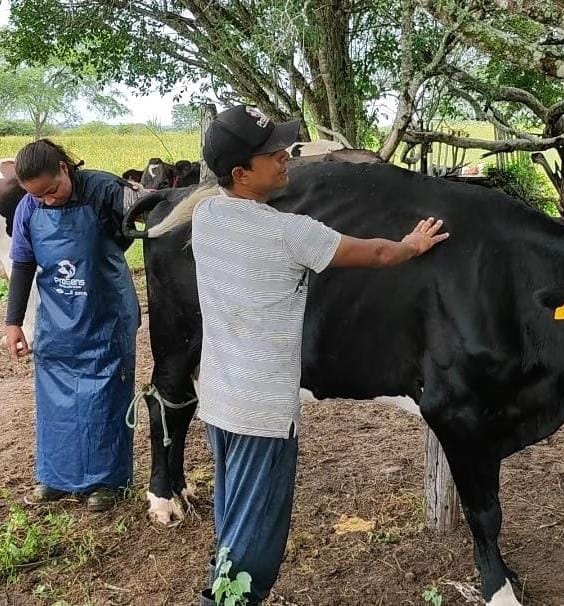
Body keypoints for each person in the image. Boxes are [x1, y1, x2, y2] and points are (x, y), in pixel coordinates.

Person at [193, 105, 449, 605]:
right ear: (242, 173)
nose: (286, 158)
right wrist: (413, 245)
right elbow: (376, 254)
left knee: (233, 519)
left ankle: (225, 585)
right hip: (262, 412)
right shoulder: (289, 233)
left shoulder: (206, 215)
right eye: (273, 154)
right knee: (256, 546)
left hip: (220, 401)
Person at [4, 140, 141, 511]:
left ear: (64, 168)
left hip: (105, 315)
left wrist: (139, 200)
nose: (47, 201)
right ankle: (56, 477)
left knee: (104, 399)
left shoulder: (103, 190)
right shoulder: (28, 208)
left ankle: (107, 481)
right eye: (38, 196)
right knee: (57, 402)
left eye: (51, 191)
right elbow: (22, 264)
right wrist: (13, 321)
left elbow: (144, 223)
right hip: (58, 320)